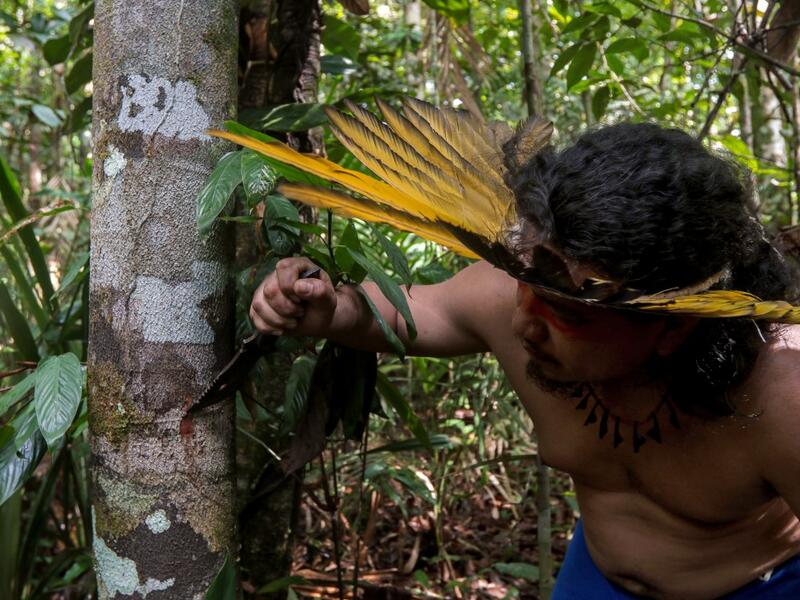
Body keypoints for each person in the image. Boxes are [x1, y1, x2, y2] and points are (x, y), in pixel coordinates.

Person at [248, 123, 800, 599]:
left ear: (673, 325)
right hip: (595, 580)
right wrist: (324, 308)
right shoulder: (518, 294)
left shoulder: (780, 397)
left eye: (569, 313)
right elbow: (415, 312)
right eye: (523, 285)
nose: (522, 323)